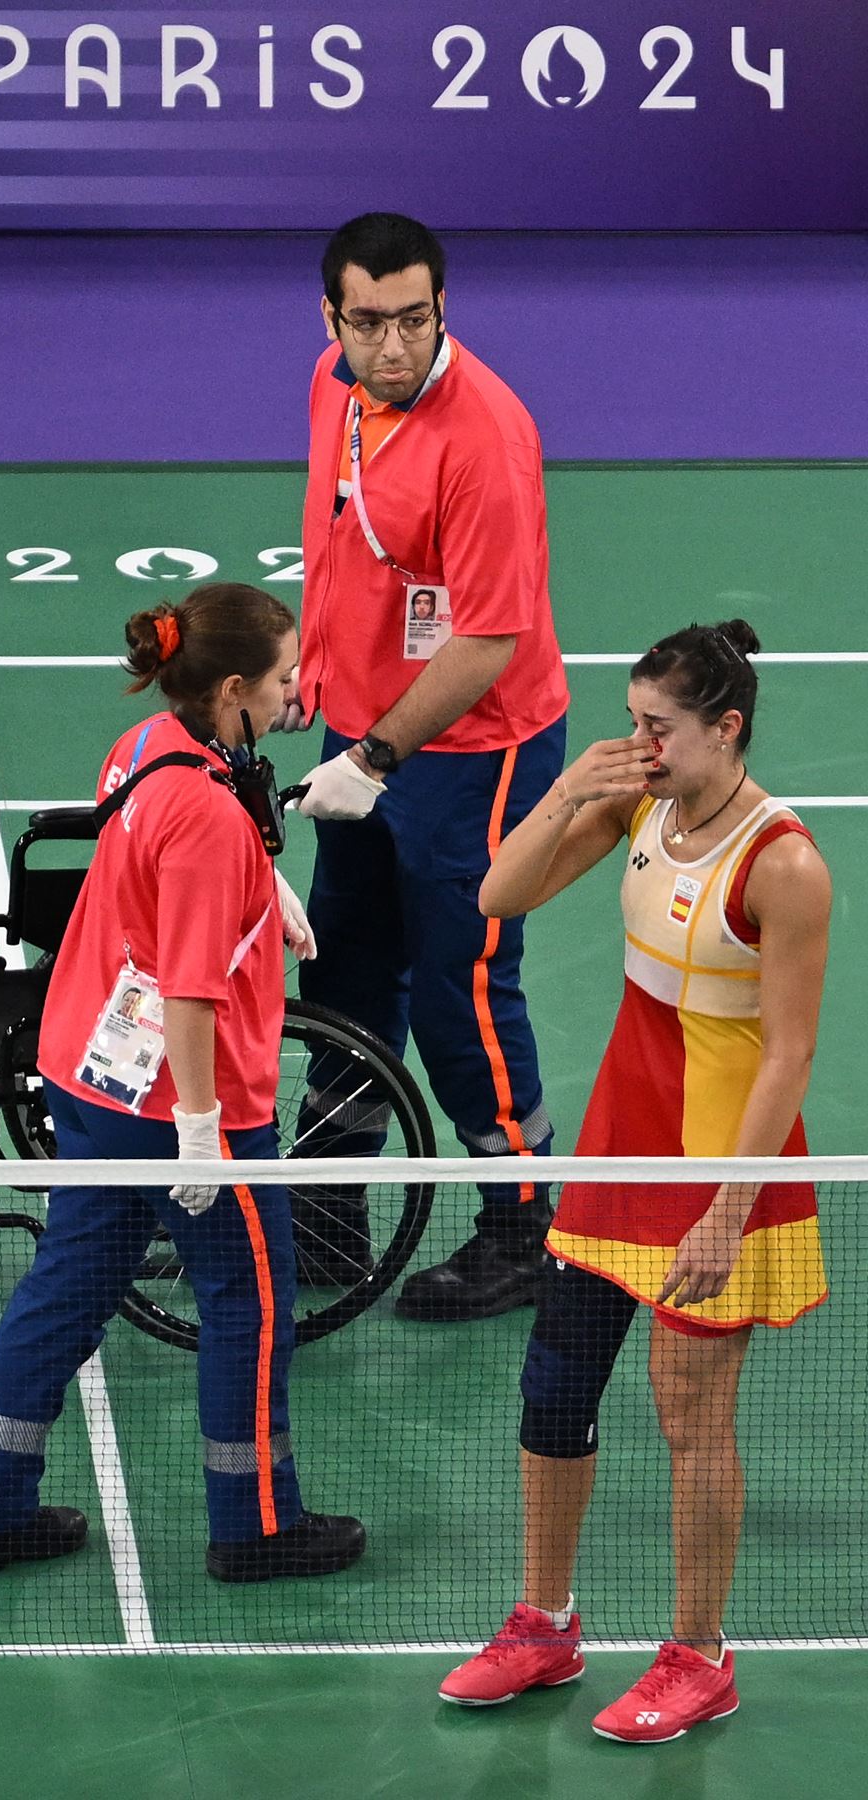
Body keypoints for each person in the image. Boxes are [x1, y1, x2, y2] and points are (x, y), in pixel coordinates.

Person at [439, 620, 830, 1742]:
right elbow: (498, 897)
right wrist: (569, 789)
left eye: (658, 728)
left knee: (688, 1419)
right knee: (553, 1394)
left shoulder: (785, 863)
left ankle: (700, 1656)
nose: (640, 743)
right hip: (619, 1156)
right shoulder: (636, 805)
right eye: (631, 722)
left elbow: (790, 1057)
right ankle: (544, 1625)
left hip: (720, 1173)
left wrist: (727, 1209)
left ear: (727, 728)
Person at [0, 583, 366, 1585]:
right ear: (232, 689)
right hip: (179, 1103)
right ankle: (257, 1525)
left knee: (71, 1287)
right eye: (280, 676)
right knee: (249, 1303)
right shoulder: (209, 821)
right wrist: (200, 1134)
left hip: (86, 1071)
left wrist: (267, 889)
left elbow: (174, 853)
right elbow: (188, 987)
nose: (295, 687)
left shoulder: (144, 749)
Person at [282, 210, 571, 1318]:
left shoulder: (486, 437)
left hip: (469, 751)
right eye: (369, 323)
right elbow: (334, 526)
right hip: (361, 728)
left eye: (413, 321)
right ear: (332, 317)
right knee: (347, 964)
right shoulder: (333, 385)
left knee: (462, 983)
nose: (391, 347)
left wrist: (378, 753)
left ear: (443, 308)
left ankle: (521, 1226)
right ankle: (328, 1207)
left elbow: (489, 638)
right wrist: (316, 656)